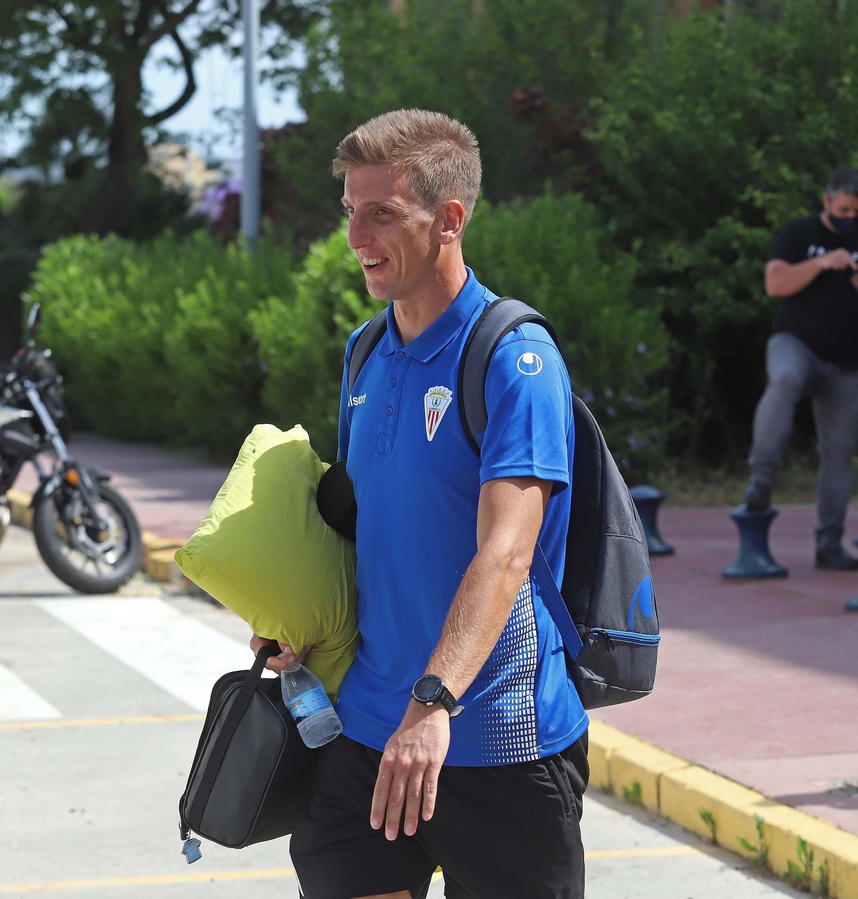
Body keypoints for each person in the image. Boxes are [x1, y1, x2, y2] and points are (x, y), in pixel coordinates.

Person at [254, 109, 590, 899]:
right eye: (349, 211)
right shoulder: (365, 350)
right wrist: (298, 619)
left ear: (448, 219)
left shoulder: (517, 359)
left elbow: (505, 553)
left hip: (497, 738)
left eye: (381, 213)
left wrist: (434, 701)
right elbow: (364, 523)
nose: (355, 236)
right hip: (370, 731)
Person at [744, 168, 858, 570]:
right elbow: (776, 283)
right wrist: (823, 263)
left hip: (850, 364)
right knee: (784, 380)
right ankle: (762, 479)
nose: (850, 218)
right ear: (826, 203)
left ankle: (829, 543)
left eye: (857, 211)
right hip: (797, 344)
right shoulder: (799, 234)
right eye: (843, 210)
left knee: (839, 454)